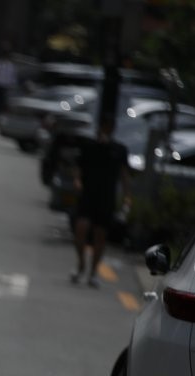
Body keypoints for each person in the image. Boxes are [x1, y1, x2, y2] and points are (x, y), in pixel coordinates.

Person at [71, 115, 130, 288]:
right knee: (81, 229)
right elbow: (78, 166)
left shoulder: (119, 150)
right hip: (88, 195)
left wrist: (127, 197)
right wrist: (77, 180)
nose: (108, 129)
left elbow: (124, 175)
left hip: (106, 198)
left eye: (111, 126)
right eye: (106, 125)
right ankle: (81, 263)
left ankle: (93, 271)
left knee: (100, 236)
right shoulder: (89, 146)